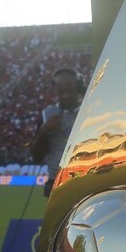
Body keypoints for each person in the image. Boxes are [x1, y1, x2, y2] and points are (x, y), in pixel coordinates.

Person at [29, 67, 83, 197]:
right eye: (61, 91)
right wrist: (44, 131)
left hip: (84, 182)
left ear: (79, 88)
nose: (65, 95)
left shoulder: (89, 112)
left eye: (69, 90)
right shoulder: (47, 114)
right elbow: (36, 157)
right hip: (56, 182)